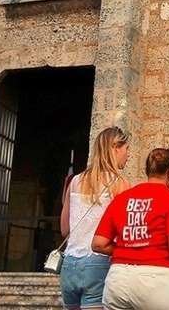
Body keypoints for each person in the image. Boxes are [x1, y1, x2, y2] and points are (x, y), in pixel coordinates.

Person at [93, 148, 169, 310]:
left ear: (147, 171)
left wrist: (130, 249)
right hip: (158, 279)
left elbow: (98, 244)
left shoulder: (121, 199)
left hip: (118, 280)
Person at [60, 126, 134, 310]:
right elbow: (127, 231)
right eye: (126, 149)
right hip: (98, 262)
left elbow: (64, 229)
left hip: (69, 264)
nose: (129, 154)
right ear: (115, 148)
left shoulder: (75, 181)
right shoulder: (120, 184)